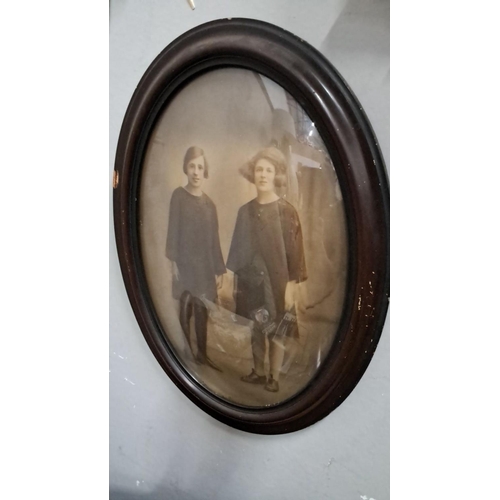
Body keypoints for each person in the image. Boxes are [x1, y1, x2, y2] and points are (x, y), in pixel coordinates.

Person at [226, 147, 307, 392]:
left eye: (268, 170)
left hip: (277, 282)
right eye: (259, 169)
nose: (263, 175)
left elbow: (295, 253)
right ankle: (259, 372)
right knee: (257, 326)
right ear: (253, 173)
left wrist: (291, 286)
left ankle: (274, 377)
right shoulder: (245, 212)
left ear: (276, 175)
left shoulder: (286, 211)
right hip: (252, 283)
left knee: (277, 331)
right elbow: (238, 250)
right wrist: (234, 280)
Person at [166, 146, 226, 370]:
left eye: (200, 167)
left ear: (205, 171)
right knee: (186, 306)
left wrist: (219, 270)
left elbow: (214, 239)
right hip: (184, 264)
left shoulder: (210, 205)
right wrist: (173, 262)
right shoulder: (178, 197)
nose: (196, 172)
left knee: (203, 309)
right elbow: (173, 230)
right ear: (186, 168)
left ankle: (202, 353)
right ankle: (185, 350)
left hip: (204, 268)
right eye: (192, 166)